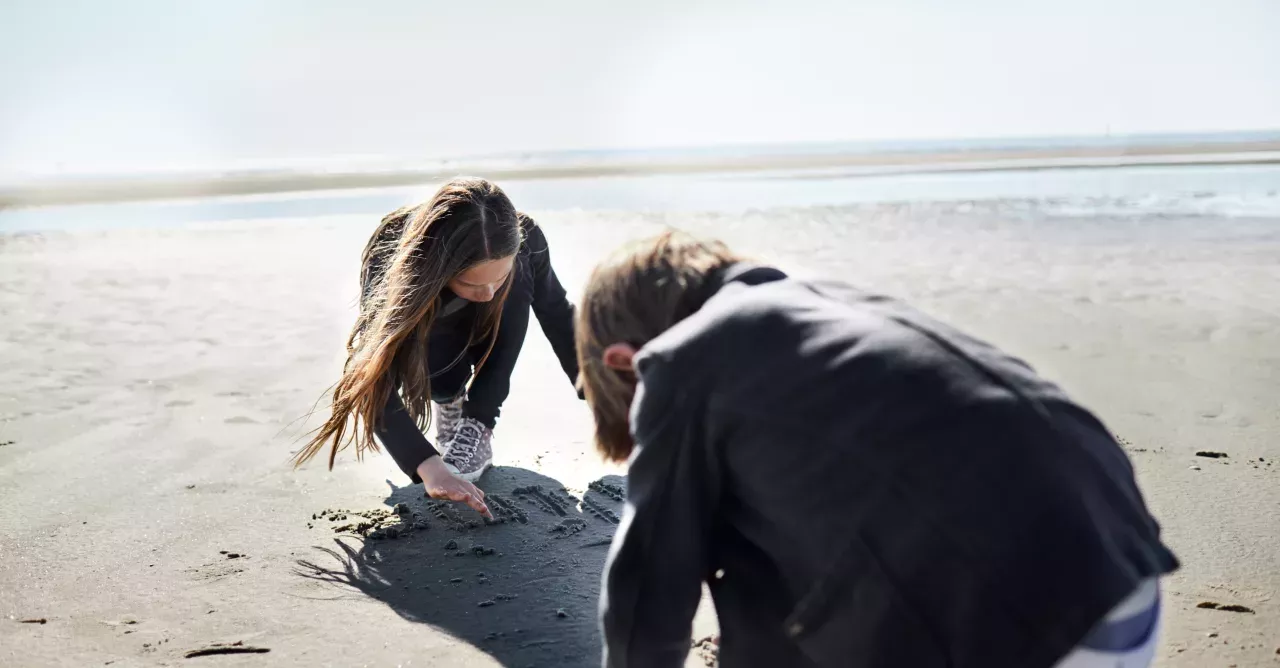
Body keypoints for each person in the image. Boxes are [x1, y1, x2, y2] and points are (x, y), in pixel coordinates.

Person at [574, 231, 1178, 668]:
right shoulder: (832, 307)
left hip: (1009, 620)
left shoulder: (683, 361)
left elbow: (648, 592)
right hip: (1123, 574)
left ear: (627, 363)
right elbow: (766, 596)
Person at [295, 177, 579, 517]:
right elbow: (371, 375)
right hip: (431, 336)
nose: (488, 292)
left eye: (496, 278)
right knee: (439, 372)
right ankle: (449, 399)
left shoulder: (523, 236)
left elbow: (557, 314)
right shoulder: (395, 250)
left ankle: (477, 426)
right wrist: (430, 467)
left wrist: (605, 392)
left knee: (519, 282)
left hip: (489, 334)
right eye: (473, 282)